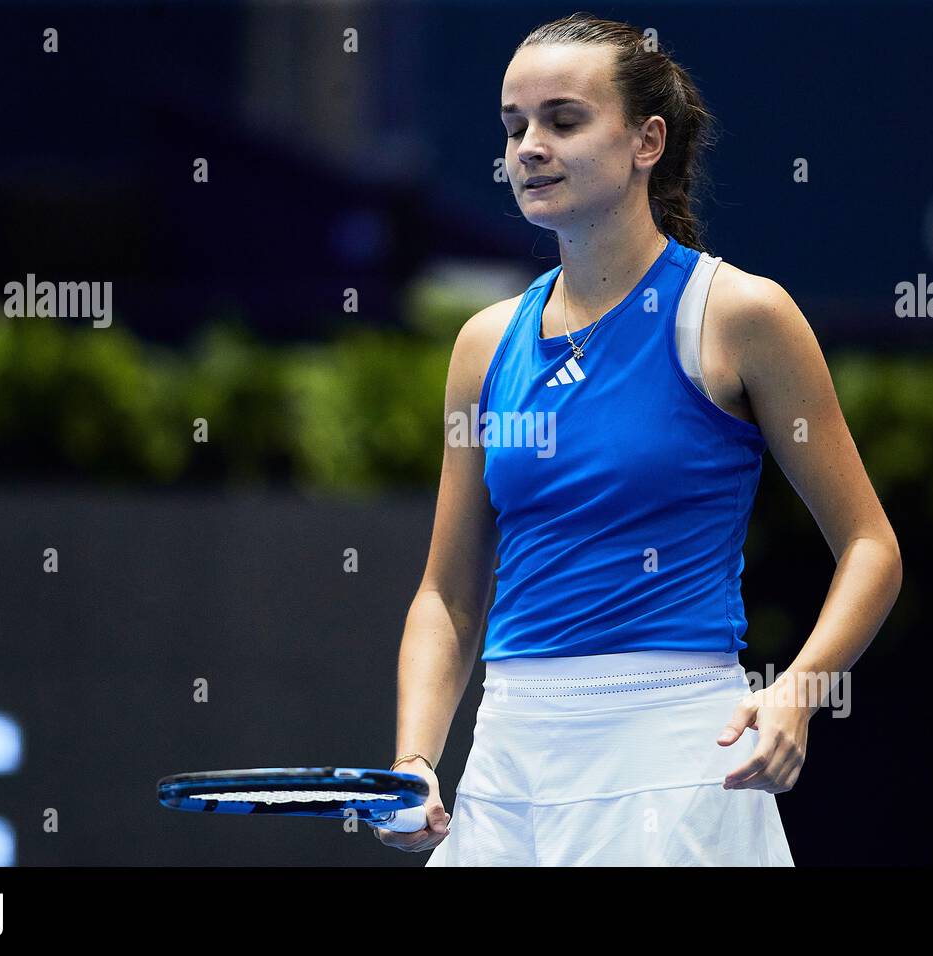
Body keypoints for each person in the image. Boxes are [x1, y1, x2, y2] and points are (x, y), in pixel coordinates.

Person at [374, 13, 902, 865]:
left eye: (563, 120)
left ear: (647, 141)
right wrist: (414, 762)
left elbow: (872, 547)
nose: (529, 148)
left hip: (676, 756)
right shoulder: (484, 345)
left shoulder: (740, 315)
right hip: (507, 766)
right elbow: (448, 595)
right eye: (514, 127)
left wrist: (798, 692)